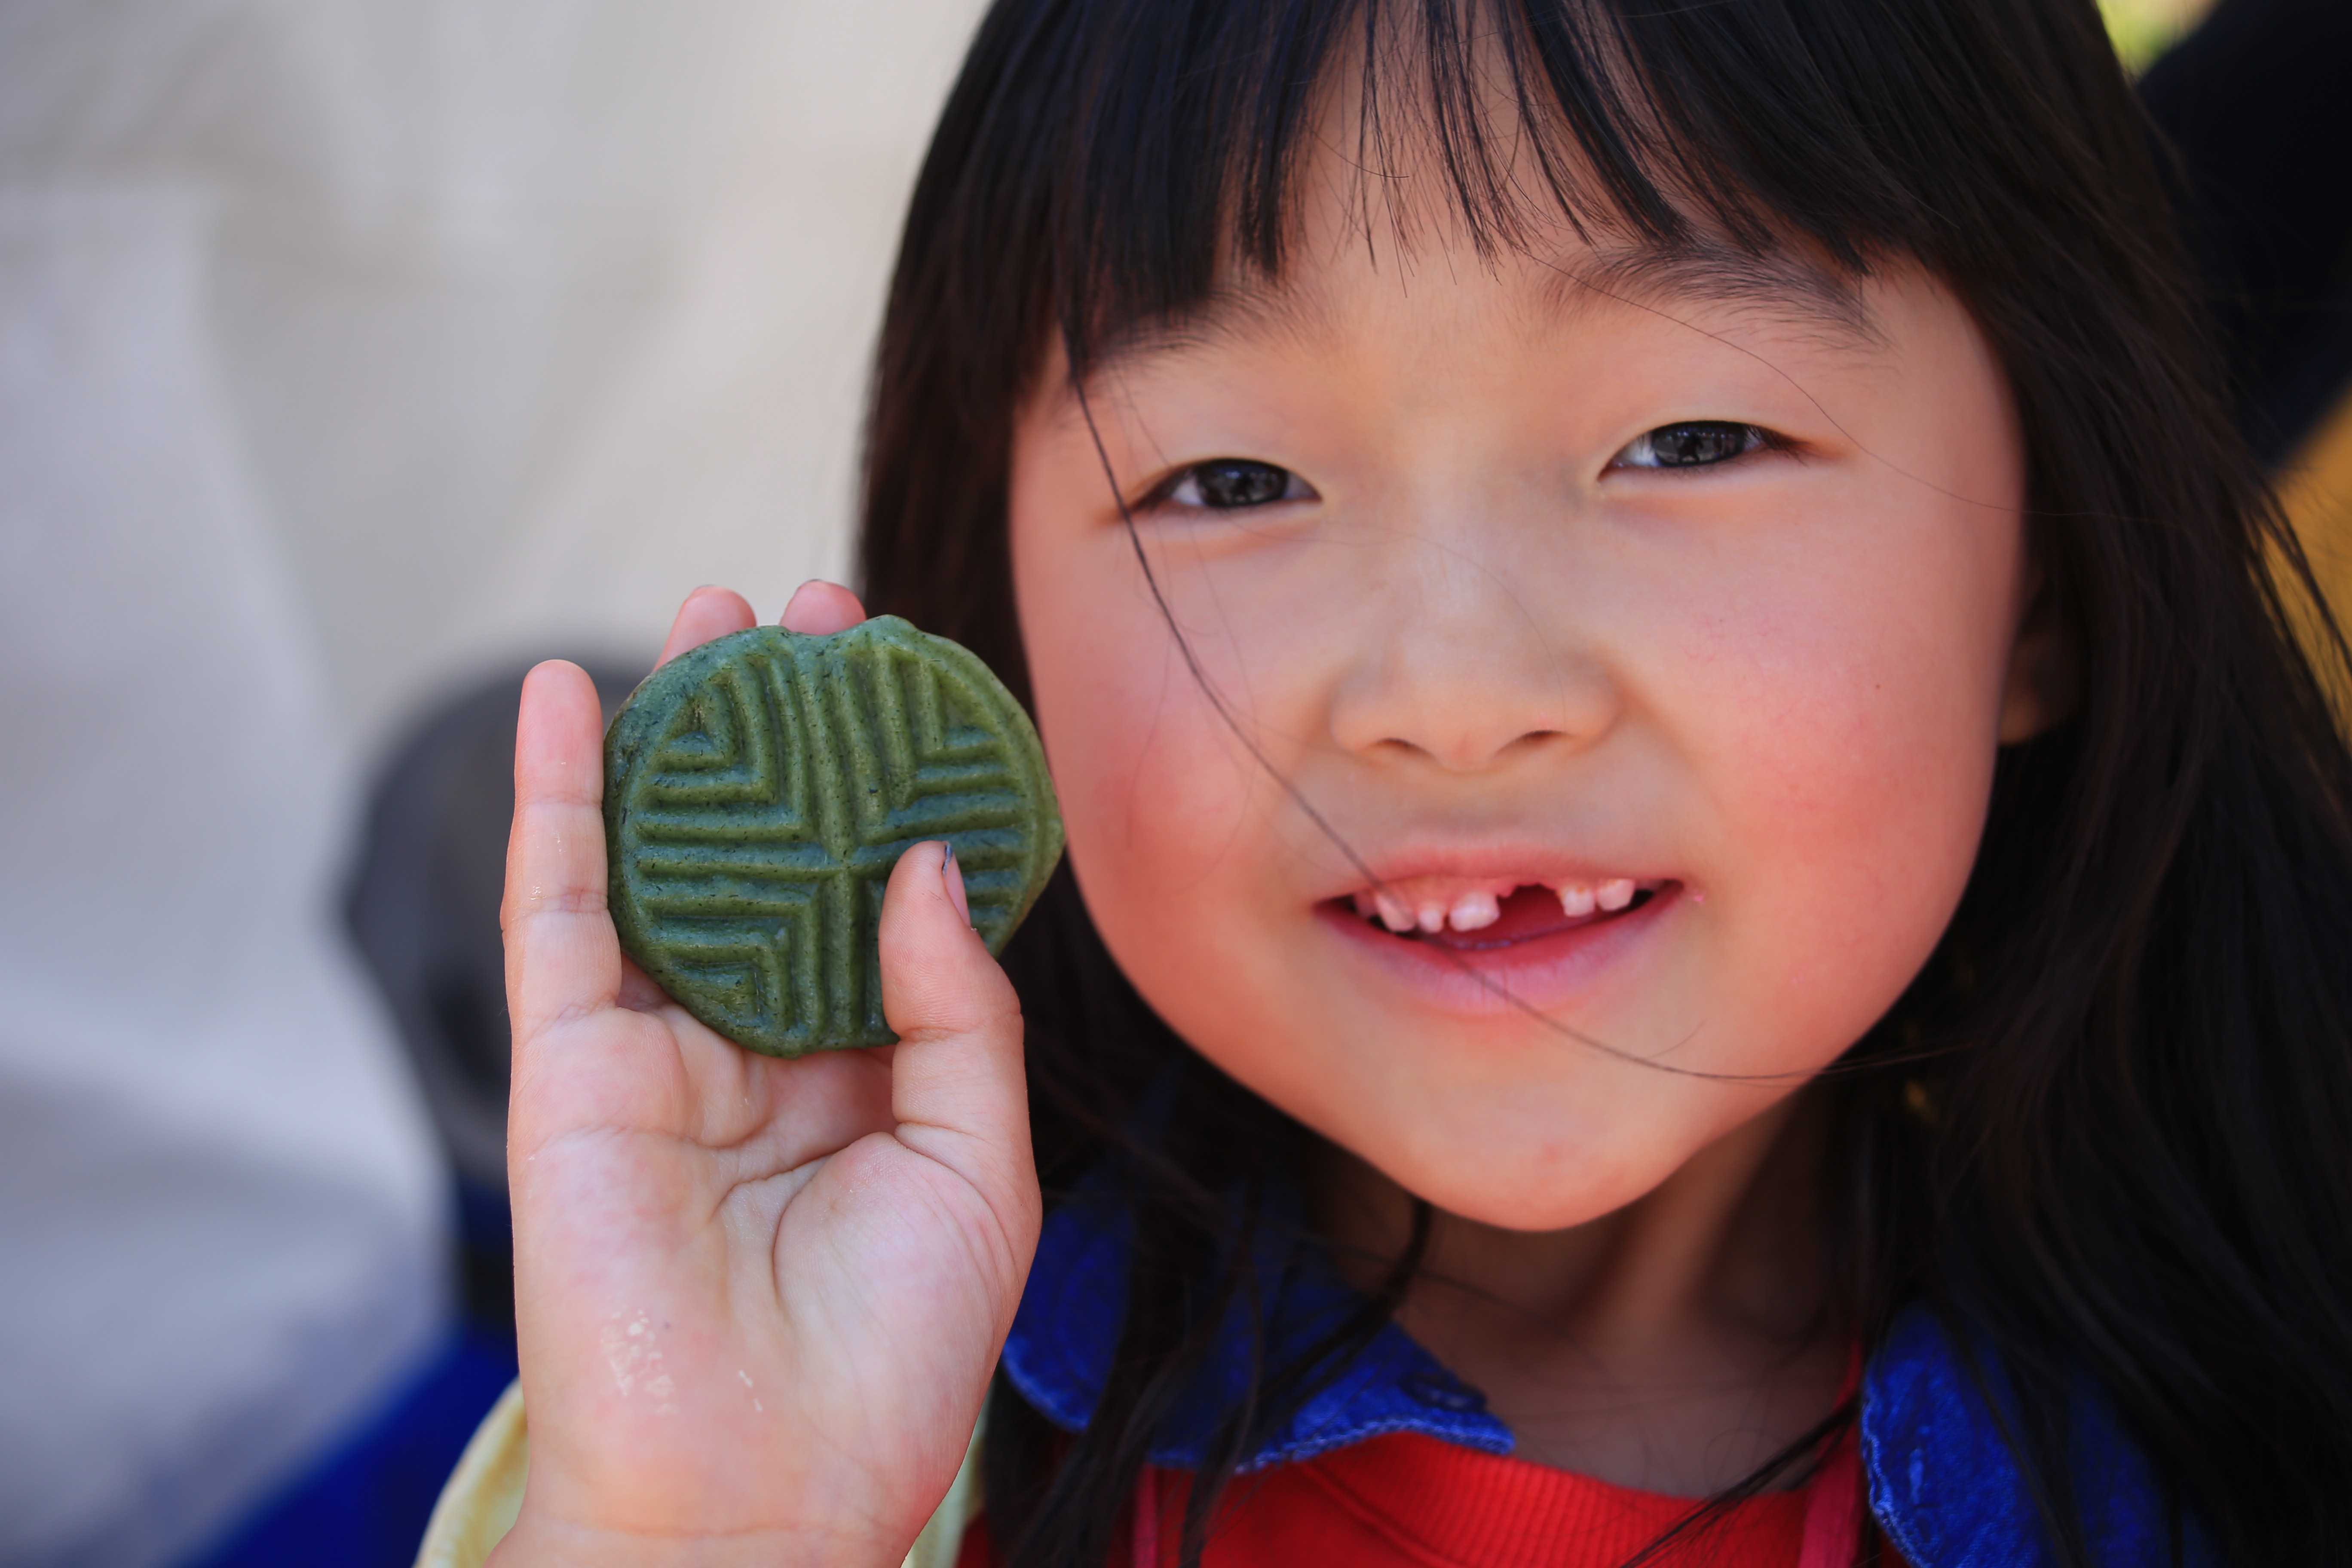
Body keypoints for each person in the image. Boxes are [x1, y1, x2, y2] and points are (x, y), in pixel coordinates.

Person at [450, 0, 2352, 1562]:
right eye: (1232, 486)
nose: (1451, 695)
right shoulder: (819, 1428)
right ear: (995, 660)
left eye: (1690, 437)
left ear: (2050, 583)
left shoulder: (2253, 1464)